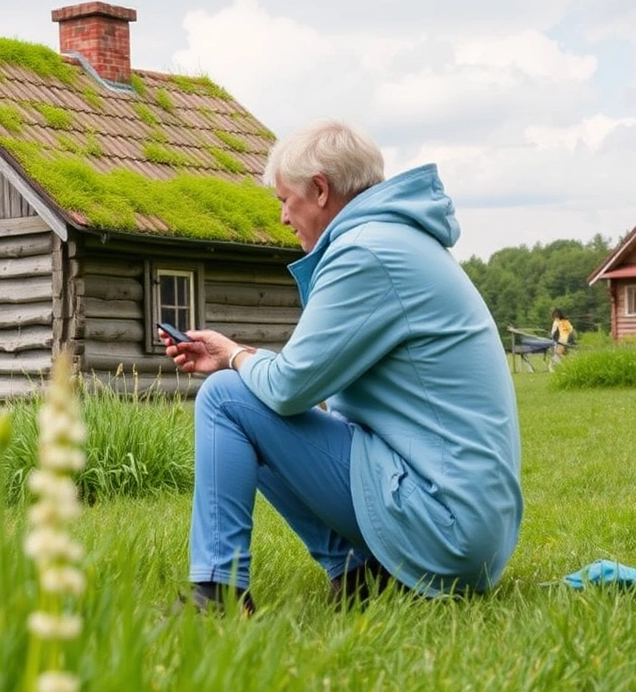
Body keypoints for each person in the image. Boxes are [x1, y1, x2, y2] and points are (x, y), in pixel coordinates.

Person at [160, 120, 523, 615]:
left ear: (321, 190)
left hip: (446, 523)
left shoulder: (366, 252)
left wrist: (235, 356)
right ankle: (359, 576)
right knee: (251, 407)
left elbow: (288, 388)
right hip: (467, 519)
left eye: (286, 200)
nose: (284, 217)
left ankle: (216, 594)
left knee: (227, 397)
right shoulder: (396, 240)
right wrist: (242, 362)